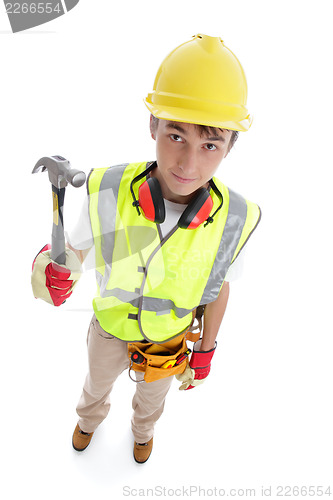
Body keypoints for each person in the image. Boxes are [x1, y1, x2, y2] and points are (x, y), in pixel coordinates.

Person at [31, 34, 261, 464]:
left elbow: (220, 288)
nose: (189, 163)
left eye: (210, 144)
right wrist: (53, 267)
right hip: (110, 327)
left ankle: (142, 432)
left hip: (168, 338)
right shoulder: (109, 188)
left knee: (152, 401)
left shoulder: (235, 219)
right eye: (176, 135)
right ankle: (88, 421)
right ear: (153, 124)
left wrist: (206, 349)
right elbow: (75, 252)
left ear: (231, 146)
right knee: (95, 385)